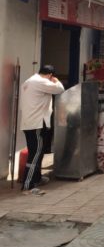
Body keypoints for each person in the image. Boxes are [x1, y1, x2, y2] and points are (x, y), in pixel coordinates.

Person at [20, 64, 64, 195]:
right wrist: (56, 80)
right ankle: (28, 185)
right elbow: (60, 89)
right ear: (50, 75)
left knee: (37, 152)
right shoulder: (41, 81)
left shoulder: (29, 81)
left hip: (30, 123)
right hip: (37, 124)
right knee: (35, 154)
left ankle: (37, 178)